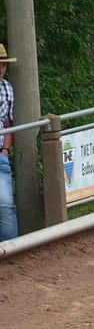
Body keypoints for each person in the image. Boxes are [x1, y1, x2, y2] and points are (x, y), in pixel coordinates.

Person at [0, 43, 19, 241]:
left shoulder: (7, 88)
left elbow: (8, 122)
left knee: (5, 203)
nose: (1, 69)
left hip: (0, 154)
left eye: (3, 65)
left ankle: (13, 252)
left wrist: (5, 150)